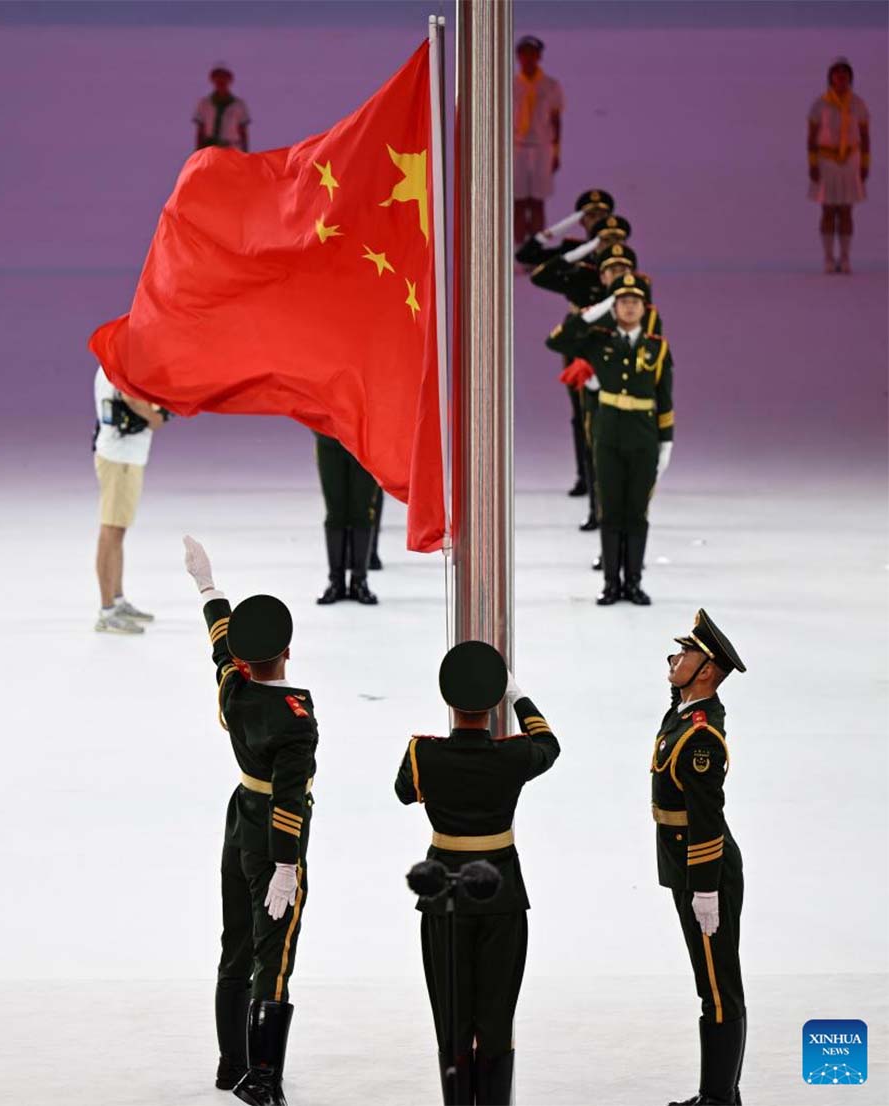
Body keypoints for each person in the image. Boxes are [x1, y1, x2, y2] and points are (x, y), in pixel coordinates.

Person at [183, 536, 318, 1106]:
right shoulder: (296, 719)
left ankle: (230, 1063)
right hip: (270, 837)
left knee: (234, 942)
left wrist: (207, 586)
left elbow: (220, 646)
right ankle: (262, 1078)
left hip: (239, 818)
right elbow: (288, 800)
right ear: (288, 651)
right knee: (274, 957)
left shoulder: (234, 691)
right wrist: (286, 866)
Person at [395, 641, 560, 1106]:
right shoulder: (514, 755)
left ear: (449, 701)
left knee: (452, 1017)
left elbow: (403, 792)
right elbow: (550, 745)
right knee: (496, 1017)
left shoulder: (423, 755)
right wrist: (518, 697)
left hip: (445, 897)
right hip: (501, 895)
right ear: (493, 704)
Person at [652, 609, 747, 1106]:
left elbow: (707, 819)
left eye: (686, 654)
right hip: (685, 867)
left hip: (703, 870)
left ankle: (720, 1098)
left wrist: (705, 888)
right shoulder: (686, 712)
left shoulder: (700, 735)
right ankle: (719, 1093)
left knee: (718, 985)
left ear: (707, 670)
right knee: (709, 983)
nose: (674, 658)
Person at [546, 273, 673, 605]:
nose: (629, 307)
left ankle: (634, 583)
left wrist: (666, 443)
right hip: (609, 436)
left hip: (643, 437)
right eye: (622, 302)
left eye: (635, 302)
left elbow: (665, 399)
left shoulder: (657, 348)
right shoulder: (598, 341)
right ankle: (611, 584)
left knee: (637, 512)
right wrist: (596, 311)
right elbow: (557, 340)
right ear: (614, 308)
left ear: (645, 309)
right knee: (611, 511)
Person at [516, 190, 615, 501]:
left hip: (611, 334)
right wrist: (566, 226)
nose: (595, 220)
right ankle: (585, 475)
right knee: (580, 407)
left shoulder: (618, 256)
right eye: (589, 215)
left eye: (601, 214)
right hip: (579, 336)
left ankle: (609, 473)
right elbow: (528, 256)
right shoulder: (574, 250)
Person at [92, 365, 169, 634]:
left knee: (118, 531)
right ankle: (107, 612)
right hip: (120, 456)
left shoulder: (117, 361)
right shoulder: (120, 362)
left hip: (124, 455)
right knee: (111, 530)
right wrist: (155, 417)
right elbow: (131, 399)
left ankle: (117, 600)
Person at [808, 57, 870, 273]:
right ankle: (828, 257)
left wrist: (865, 164)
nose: (841, 77)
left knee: (846, 211)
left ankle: (844, 257)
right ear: (831, 78)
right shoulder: (820, 104)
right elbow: (811, 137)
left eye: (845, 73)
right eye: (837, 73)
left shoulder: (858, 104)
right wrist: (813, 164)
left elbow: (865, 136)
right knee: (828, 210)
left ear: (850, 78)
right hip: (826, 161)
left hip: (850, 160)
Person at [314, 433, 379, 605]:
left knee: (363, 511)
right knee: (335, 512)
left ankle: (359, 581)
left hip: (365, 442)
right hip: (330, 440)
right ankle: (336, 581)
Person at [513, 36, 563, 246]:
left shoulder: (550, 86)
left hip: (542, 147)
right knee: (518, 200)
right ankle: (518, 246)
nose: (528, 58)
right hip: (517, 147)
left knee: (537, 201)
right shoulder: (511, 85)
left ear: (539, 56)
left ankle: (536, 245)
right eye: (524, 54)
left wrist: (556, 152)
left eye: (532, 54)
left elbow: (556, 120)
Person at [195, 62, 251, 152]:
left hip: (231, 150)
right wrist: (198, 152)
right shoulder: (204, 103)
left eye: (224, 77)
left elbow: (243, 132)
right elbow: (200, 130)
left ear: (229, 79)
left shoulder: (238, 105)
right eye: (218, 77)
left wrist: (245, 154)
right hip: (210, 150)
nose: (221, 80)